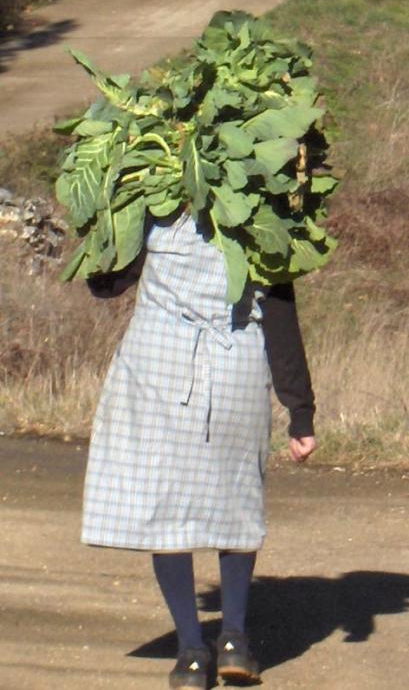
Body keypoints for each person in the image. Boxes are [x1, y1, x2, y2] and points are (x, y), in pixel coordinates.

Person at [81, 208, 317, 689]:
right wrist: (300, 411)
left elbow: (107, 283)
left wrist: (101, 229)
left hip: (157, 368)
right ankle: (234, 640)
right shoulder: (260, 209)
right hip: (237, 362)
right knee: (236, 501)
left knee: (167, 507)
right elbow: (278, 312)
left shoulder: (155, 206)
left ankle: (191, 652)